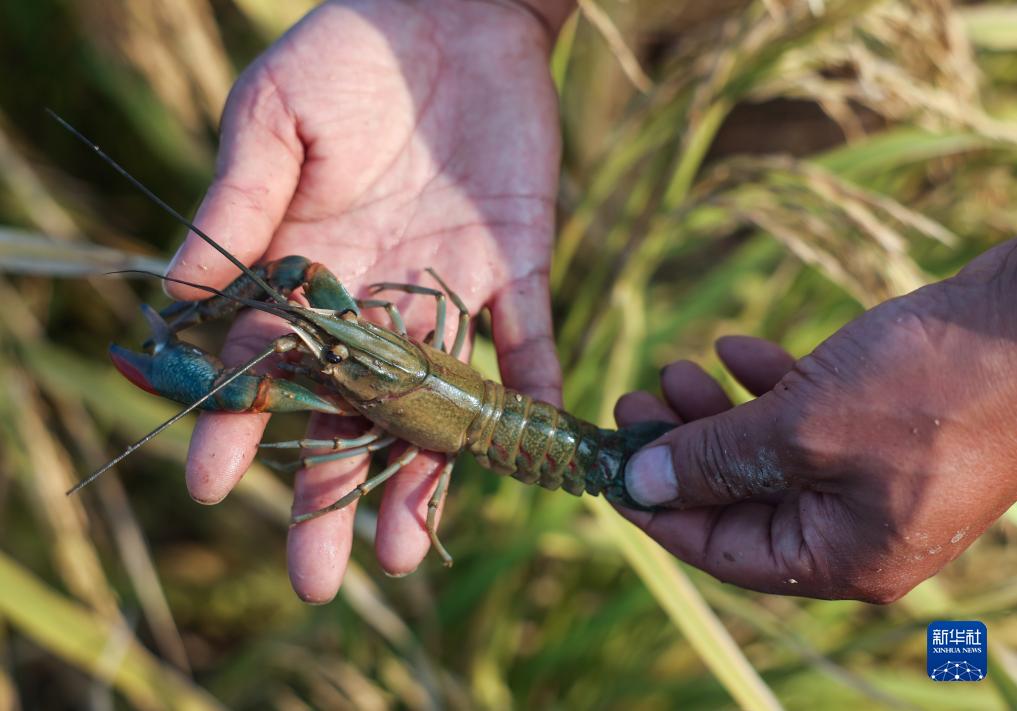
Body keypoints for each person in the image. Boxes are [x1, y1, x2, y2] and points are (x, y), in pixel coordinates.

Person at [166, 0, 1017, 605]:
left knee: (297, 359)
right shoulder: (372, 330)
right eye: (345, 337)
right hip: (490, 411)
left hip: (554, 447)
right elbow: (322, 290)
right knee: (315, 308)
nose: (332, 333)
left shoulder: (374, 348)